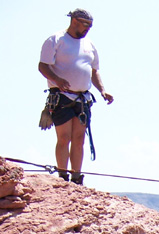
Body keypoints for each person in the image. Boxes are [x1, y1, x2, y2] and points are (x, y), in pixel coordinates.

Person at [38, 9, 113, 185]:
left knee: (79, 138)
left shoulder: (90, 45)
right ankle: (63, 176)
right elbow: (43, 66)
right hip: (61, 96)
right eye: (85, 24)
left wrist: (102, 90)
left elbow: (94, 71)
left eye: (90, 26)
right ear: (74, 21)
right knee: (64, 137)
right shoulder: (56, 40)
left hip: (82, 98)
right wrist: (57, 79)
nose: (88, 28)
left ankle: (76, 177)